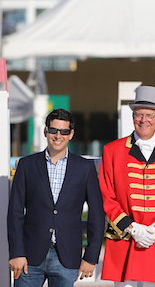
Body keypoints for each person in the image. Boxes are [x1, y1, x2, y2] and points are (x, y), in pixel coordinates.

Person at [99, 86, 155, 287]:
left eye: (149, 115)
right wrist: (132, 228)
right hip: (124, 240)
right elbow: (106, 195)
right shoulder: (112, 150)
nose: (143, 120)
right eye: (138, 114)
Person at [7, 108, 105, 286]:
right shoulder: (26, 165)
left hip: (67, 257)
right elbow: (15, 212)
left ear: (71, 134)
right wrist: (16, 252)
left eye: (64, 131)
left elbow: (97, 214)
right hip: (28, 257)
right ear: (46, 131)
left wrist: (91, 256)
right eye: (53, 130)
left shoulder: (85, 168)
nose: (58, 135)